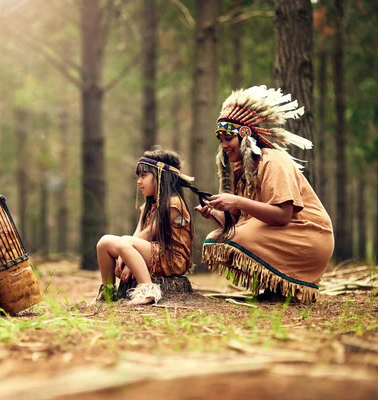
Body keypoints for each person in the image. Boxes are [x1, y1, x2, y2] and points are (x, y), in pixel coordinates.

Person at [195, 85, 334, 303]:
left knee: (231, 238)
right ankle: (276, 290)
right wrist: (215, 213)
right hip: (281, 233)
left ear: (245, 136)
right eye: (220, 140)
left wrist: (238, 200)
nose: (223, 146)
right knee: (218, 239)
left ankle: (287, 290)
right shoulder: (243, 168)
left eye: (228, 139)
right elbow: (241, 222)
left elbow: (283, 215)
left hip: (309, 237)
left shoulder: (273, 161)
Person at [92, 146, 207, 305]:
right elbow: (137, 235)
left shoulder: (173, 204)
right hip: (152, 252)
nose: (139, 181)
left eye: (144, 176)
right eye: (139, 176)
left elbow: (146, 235)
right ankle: (108, 291)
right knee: (104, 242)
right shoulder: (149, 205)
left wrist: (126, 260)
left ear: (161, 177)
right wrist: (124, 256)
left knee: (124, 241)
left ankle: (148, 290)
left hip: (171, 258)